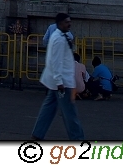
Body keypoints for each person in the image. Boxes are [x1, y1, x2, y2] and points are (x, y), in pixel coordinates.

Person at [31, 13, 85, 141]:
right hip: (63, 82)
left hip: (58, 80)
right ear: (60, 23)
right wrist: (59, 81)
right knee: (69, 112)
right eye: (67, 22)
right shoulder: (58, 39)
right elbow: (56, 61)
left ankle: (38, 134)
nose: (69, 24)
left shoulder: (61, 36)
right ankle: (78, 138)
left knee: (49, 108)